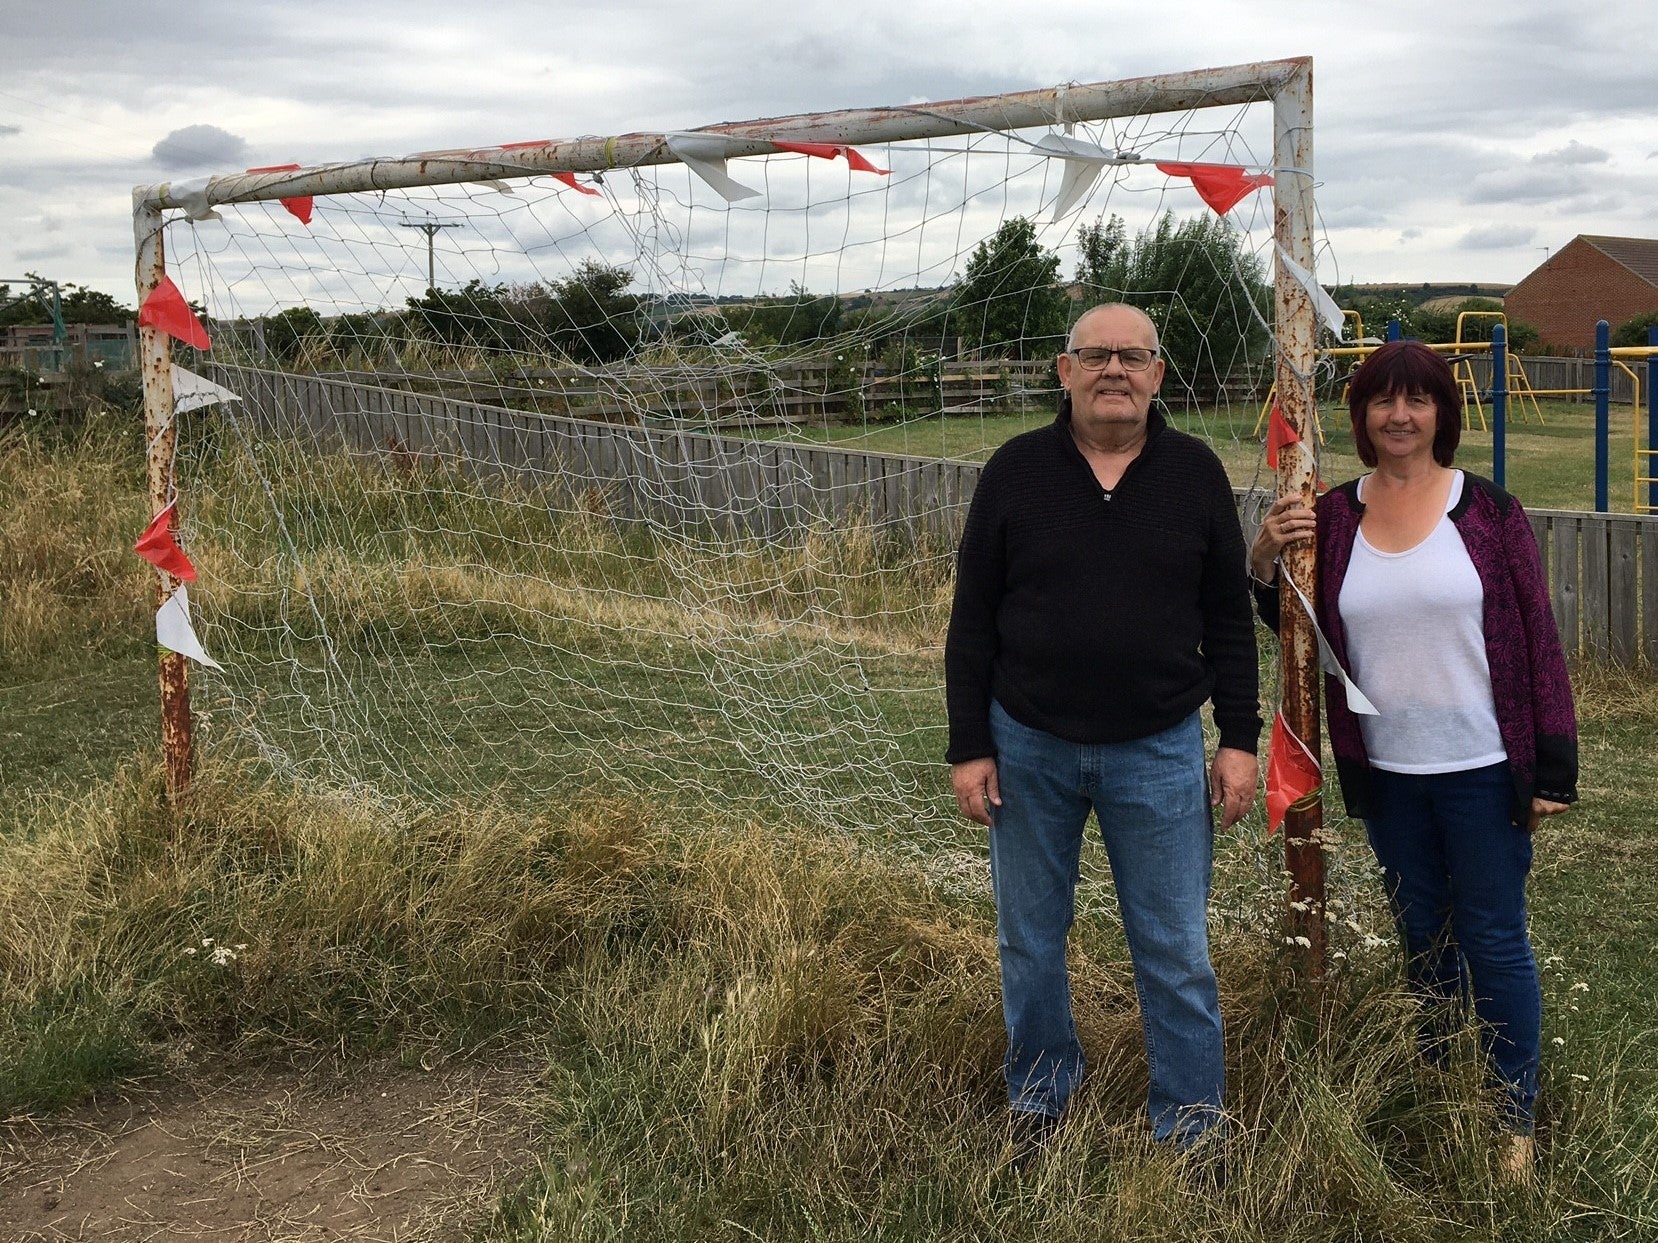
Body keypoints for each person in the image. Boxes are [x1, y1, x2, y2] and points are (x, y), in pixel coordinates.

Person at [1249, 340, 1577, 1179]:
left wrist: (1551, 767)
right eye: (1381, 401)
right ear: (1359, 418)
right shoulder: (1330, 516)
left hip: (1483, 764)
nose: (1400, 415)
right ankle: (1440, 1081)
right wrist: (1262, 559)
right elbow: (1295, 626)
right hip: (1387, 771)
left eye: (1418, 400)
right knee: (1423, 938)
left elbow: (1537, 641)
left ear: (1442, 413)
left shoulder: (1490, 511)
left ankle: (1512, 1118)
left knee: (1494, 937)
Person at [945, 303, 1261, 1149]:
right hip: (1027, 744)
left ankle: (1191, 1125)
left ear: (1159, 375)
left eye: (1133, 356)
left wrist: (1238, 738)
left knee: (1174, 949)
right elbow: (972, 618)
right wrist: (969, 744)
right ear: (1064, 371)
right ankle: (1041, 1099)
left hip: (1157, 748)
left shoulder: (1195, 473)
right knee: (1029, 940)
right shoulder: (1015, 470)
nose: (1114, 370)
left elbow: (1229, 617)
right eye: (1096, 355)